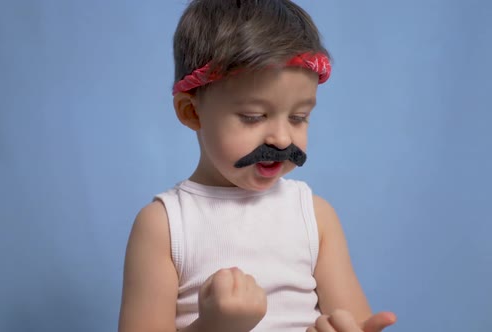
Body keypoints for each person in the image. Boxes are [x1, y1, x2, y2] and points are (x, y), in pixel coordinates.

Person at [118, 1, 396, 331]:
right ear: (192, 113)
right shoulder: (164, 226)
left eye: (299, 117)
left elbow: (352, 322)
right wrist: (213, 327)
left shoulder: (315, 218)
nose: (281, 139)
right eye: (253, 117)